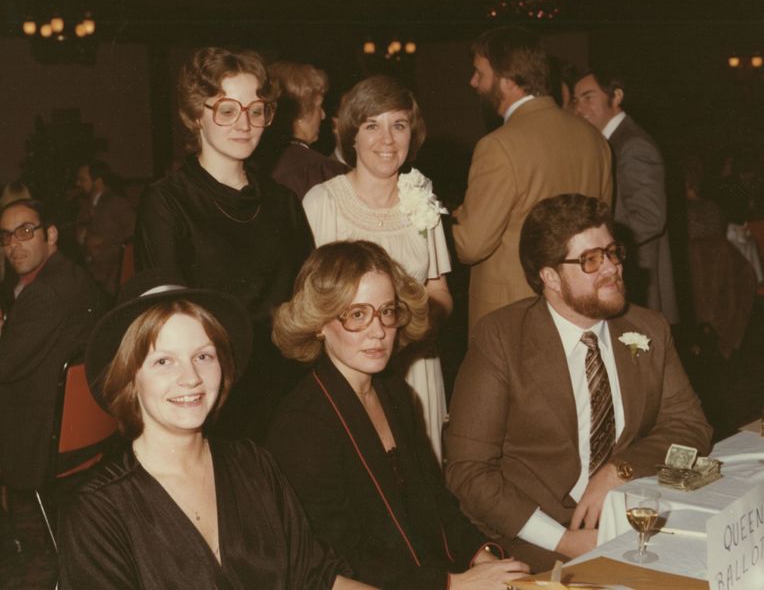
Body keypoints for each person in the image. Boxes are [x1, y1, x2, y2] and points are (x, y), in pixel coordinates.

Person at [444, 194, 712, 572]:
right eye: (590, 260)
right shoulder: (502, 339)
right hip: (531, 536)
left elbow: (691, 426)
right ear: (550, 276)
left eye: (612, 252)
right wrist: (562, 540)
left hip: (630, 522)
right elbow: (468, 471)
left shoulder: (647, 328)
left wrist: (620, 470)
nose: (612, 268)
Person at [58, 271, 375, 590]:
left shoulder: (253, 464)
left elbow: (315, 578)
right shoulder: (99, 511)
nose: (191, 377)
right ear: (129, 378)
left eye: (203, 356)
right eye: (164, 362)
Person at [267, 241, 529, 589]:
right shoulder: (302, 426)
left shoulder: (395, 392)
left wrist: (484, 559)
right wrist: (453, 584)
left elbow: (437, 504)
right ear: (319, 322)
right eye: (357, 314)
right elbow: (339, 561)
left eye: (387, 311)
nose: (378, 331)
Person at [134, 47, 314, 439]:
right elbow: (167, 320)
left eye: (256, 110)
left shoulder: (283, 201)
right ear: (197, 115)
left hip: (291, 386)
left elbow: (308, 302)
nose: (244, 124)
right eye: (227, 110)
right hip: (216, 393)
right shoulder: (166, 201)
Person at [302, 76, 452, 462]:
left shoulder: (422, 198)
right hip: (349, 372)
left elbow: (439, 292)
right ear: (352, 135)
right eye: (372, 125)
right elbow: (308, 307)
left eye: (398, 125)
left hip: (416, 367)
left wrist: (409, 335)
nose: (387, 139)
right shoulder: (322, 203)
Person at [451, 27, 613, 331]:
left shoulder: (498, 145)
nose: (473, 82)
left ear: (508, 81)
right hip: (583, 307)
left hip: (514, 315)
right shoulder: (594, 139)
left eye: (479, 73)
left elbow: (471, 245)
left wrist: (443, 223)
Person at [0, 199, 103, 552]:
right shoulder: (72, 275)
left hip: (39, 440)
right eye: (6, 236)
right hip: (84, 431)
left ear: (52, 234)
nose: (13, 244)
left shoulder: (43, 293)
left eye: (25, 232)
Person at [574, 69, 678, 323]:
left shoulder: (633, 145)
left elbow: (650, 218)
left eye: (588, 98)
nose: (579, 109)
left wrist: (602, 248)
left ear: (617, 96)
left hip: (638, 278)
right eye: (576, 100)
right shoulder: (611, 143)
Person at [263, 61, 349, 199]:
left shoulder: (256, 165)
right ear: (301, 111)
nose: (323, 115)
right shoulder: (323, 171)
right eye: (319, 106)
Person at [74, 160, 136, 295]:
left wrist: (105, 241)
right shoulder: (85, 204)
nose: (78, 184)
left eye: (82, 179)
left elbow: (133, 238)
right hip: (91, 272)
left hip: (111, 277)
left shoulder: (117, 203)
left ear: (98, 181)